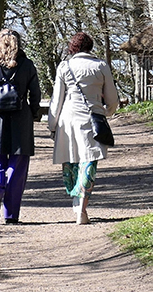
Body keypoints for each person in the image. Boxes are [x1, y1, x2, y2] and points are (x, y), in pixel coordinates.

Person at [47, 32, 120, 224]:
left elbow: (57, 100)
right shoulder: (101, 66)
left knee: (70, 161)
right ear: (90, 46)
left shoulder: (65, 66)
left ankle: (75, 197)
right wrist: (106, 112)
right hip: (91, 118)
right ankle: (82, 208)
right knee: (89, 162)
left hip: (68, 120)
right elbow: (112, 100)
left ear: (72, 48)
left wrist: (52, 124)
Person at [0, 28, 42, 224]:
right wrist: (33, 112)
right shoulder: (27, 65)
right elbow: (35, 93)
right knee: (18, 166)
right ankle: (11, 214)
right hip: (21, 117)